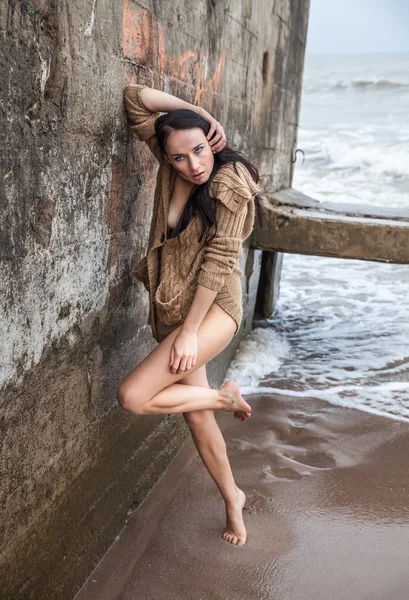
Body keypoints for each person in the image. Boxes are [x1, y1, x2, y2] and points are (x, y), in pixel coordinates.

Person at [117, 82, 266, 546]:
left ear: (212, 139)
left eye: (200, 149)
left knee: (133, 397)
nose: (194, 165)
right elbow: (135, 98)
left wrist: (189, 333)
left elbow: (221, 260)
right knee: (196, 418)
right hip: (176, 310)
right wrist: (194, 109)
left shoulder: (229, 181)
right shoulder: (172, 160)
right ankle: (232, 499)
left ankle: (224, 399)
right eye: (180, 157)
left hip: (213, 309)